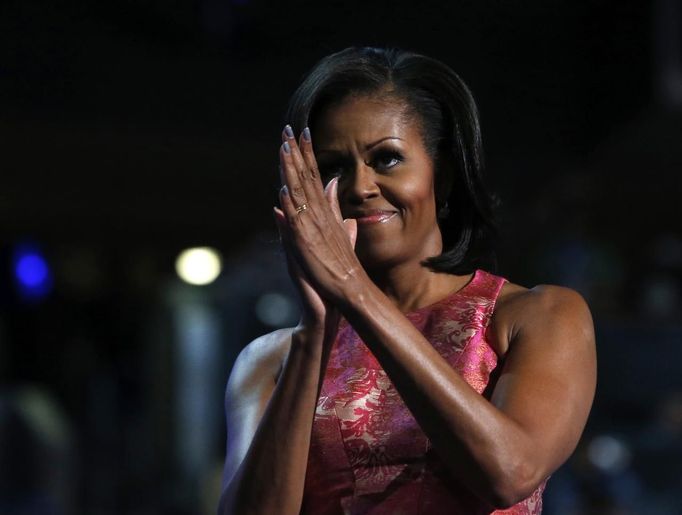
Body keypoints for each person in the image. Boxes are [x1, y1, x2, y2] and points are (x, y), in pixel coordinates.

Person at [217, 47, 596, 515]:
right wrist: (314, 333)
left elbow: (509, 473)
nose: (359, 187)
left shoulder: (538, 316)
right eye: (334, 168)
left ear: (445, 173)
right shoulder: (270, 360)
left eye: (387, 159)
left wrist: (354, 290)